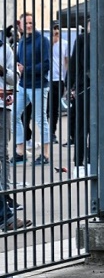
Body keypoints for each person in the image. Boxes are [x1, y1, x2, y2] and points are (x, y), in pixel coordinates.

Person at [0, 33, 32, 231]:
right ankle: (5, 215)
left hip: (2, 106)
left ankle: (6, 195)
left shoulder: (5, 49)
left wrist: (3, 71)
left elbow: (15, 79)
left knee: (2, 154)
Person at [12, 13, 52, 166]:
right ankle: (20, 152)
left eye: (31, 22)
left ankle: (46, 154)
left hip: (38, 85)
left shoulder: (42, 41)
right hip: (23, 85)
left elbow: (47, 64)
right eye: (26, 23)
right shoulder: (21, 42)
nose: (29, 25)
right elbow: (18, 61)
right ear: (20, 25)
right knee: (14, 115)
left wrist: (25, 69)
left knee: (40, 119)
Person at [67, 18, 91, 177]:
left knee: (95, 129)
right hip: (84, 87)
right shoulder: (82, 39)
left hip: (101, 88)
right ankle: (79, 163)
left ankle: (91, 161)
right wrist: (71, 87)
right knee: (82, 126)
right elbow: (74, 63)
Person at [47, 21, 68, 145]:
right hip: (47, 79)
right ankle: (47, 132)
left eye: (58, 28)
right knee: (47, 108)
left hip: (58, 80)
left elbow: (66, 62)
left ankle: (52, 132)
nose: (56, 31)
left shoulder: (64, 44)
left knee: (54, 108)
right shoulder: (47, 43)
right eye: (54, 28)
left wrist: (66, 79)